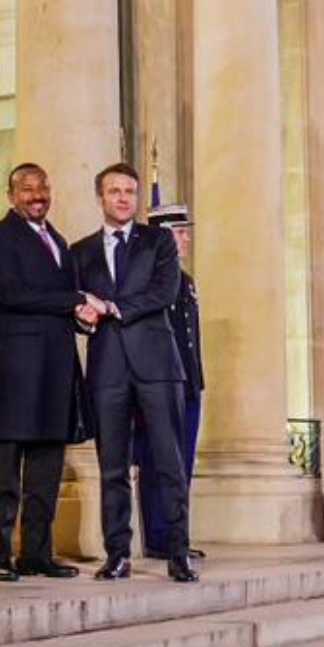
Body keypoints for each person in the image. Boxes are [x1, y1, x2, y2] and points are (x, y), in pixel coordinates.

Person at [70, 163, 197, 583]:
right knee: (112, 466)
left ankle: (178, 552)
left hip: (158, 365)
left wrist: (112, 307)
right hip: (107, 368)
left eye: (129, 191)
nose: (123, 198)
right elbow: (76, 306)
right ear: (100, 198)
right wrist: (84, 315)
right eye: (114, 191)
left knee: (168, 462)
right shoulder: (81, 251)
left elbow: (165, 292)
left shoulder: (158, 241)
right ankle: (118, 554)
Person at [0, 164, 85, 582]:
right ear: (11, 196)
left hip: (55, 368)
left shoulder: (58, 240)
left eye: (42, 187)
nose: (37, 195)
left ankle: (37, 553)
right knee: (5, 466)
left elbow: (64, 302)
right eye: (27, 188)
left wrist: (83, 315)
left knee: (46, 467)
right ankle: (0, 553)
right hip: (16, 368)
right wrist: (73, 298)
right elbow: (9, 292)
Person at [137, 200, 204, 561]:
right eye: (179, 233)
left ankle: (178, 534)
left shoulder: (186, 281)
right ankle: (159, 537)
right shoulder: (148, 281)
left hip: (188, 383)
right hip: (160, 385)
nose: (186, 240)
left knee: (183, 463)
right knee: (158, 463)